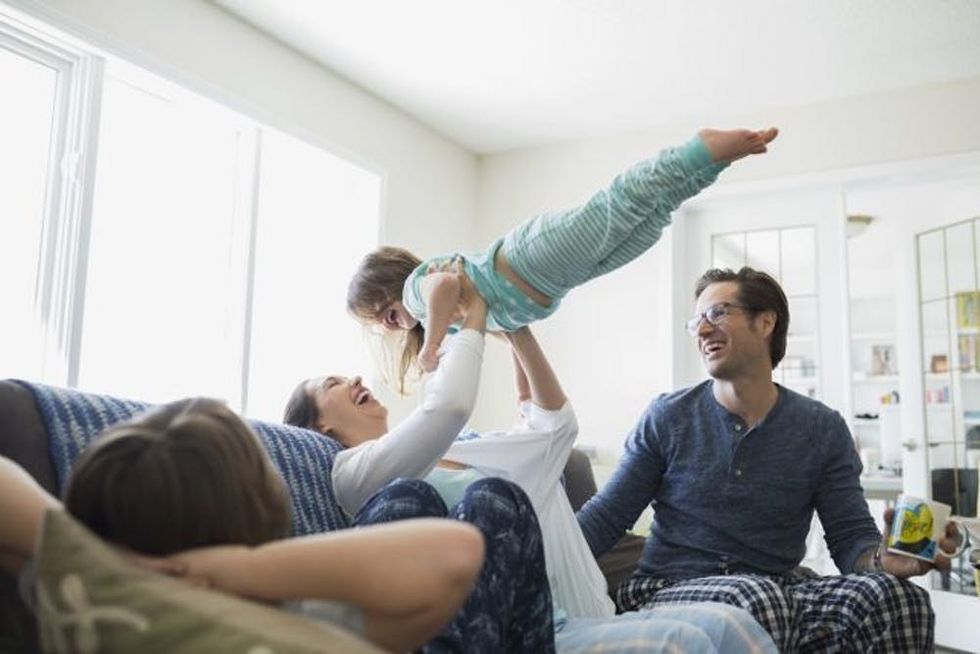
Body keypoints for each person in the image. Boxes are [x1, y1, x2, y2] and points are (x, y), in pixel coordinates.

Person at [285, 264, 779, 654]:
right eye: (331, 384)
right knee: (685, 644)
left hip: (567, 613)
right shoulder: (352, 472)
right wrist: (473, 312)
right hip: (508, 625)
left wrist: (513, 327)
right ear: (318, 427)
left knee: (733, 620)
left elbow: (554, 427)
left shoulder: (463, 450)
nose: (352, 379)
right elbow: (448, 405)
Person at [576, 266, 958, 652]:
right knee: (757, 599)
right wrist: (526, 559)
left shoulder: (821, 428)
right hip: (670, 587)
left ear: (765, 323)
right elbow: (605, 518)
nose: (703, 330)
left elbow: (849, 539)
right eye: (697, 321)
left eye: (718, 313)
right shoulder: (667, 417)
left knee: (897, 600)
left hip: (779, 587)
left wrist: (883, 560)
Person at [0, 398, 555, 653]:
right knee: (494, 500)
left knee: (406, 493)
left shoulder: (74, 593)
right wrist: (240, 570)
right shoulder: (304, 622)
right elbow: (454, 552)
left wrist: (96, 558)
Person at [347, 127, 778, 392]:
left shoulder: (419, 294)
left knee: (619, 206)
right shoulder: (459, 315)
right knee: (648, 225)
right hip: (555, 278)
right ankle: (710, 167)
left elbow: (442, 288)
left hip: (528, 258)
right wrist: (523, 391)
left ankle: (697, 150)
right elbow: (512, 336)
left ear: (391, 289)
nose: (393, 326)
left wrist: (434, 345)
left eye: (385, 316)